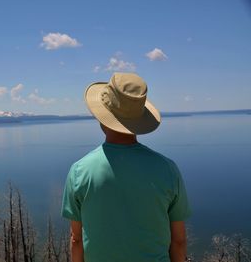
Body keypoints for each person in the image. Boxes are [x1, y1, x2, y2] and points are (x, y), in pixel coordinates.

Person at [61, 73, 191, 262]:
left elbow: (76, 240)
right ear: (139, 120)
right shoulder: (167, 169)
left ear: (102, 117)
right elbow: (178, 241)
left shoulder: (80, 171)